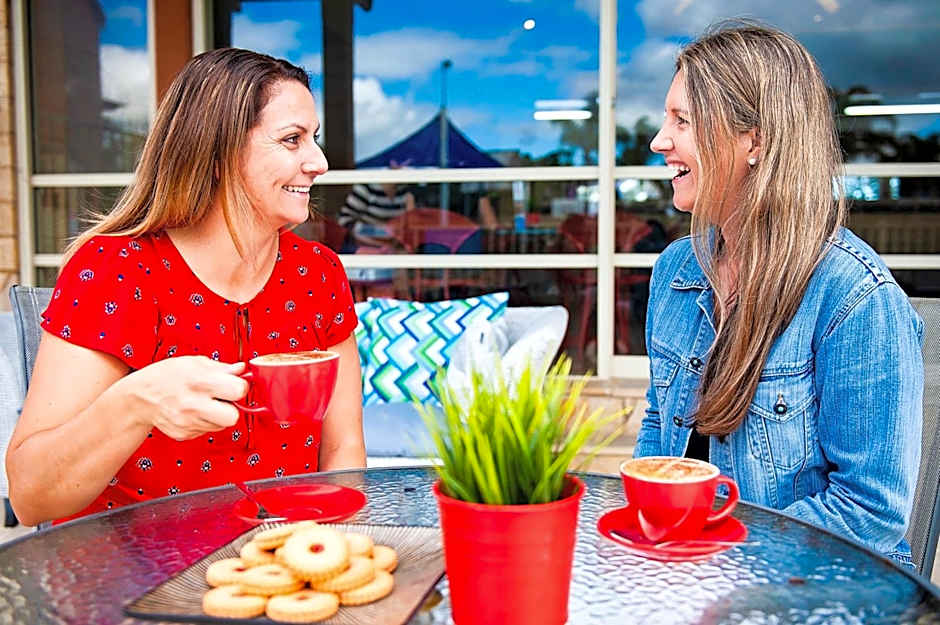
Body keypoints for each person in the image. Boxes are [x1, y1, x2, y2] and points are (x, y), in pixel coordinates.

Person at [5, 48, 366, 526]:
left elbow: (342, 448)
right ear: (216, 153)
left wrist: (325, 555)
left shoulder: (318, 273)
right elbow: (32, 499)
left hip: (276, 567)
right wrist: (137, 402)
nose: (318, 162)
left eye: (313, 138)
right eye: (292, 139)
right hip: (135, 578)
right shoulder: (117, 270)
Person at [636, 21, 923, 568]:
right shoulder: (676, 271)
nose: (659, 141)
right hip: (693, 571)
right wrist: (648, 540)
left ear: (755, 141)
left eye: (683, 121)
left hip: (817, 585)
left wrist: (715, 553)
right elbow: (659, 426)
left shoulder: (854, 296)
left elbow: (871, 514)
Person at [337, 161, 415, 250]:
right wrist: (377, 231)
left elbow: (409, 226)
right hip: (364, 249)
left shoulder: (404, 191)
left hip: (392, 249)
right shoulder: (366, 188)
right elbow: (344, 222)